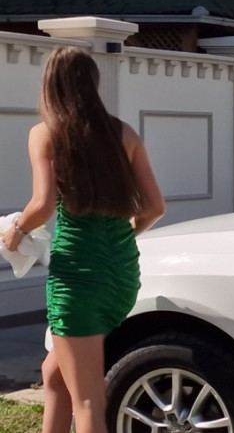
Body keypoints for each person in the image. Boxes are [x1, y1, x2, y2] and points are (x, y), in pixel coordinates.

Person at [1, 47, 165, 433]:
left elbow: (42, 205)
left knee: (88, 399)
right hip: (122, 274)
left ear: (50, 86)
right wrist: (122, 235)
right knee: (54, 374)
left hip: (78, 279)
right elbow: (154, 207)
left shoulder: (45, 134)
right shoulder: (124, 133)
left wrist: (16, 232)